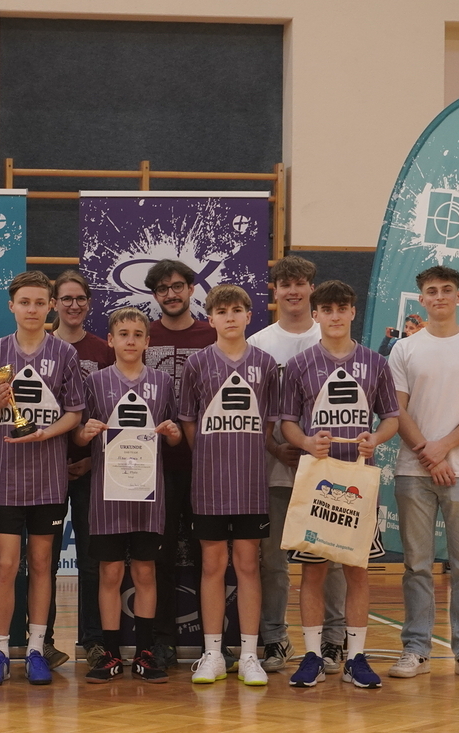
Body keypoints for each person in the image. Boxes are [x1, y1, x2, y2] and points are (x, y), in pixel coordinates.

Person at [280, 280, 399, 689]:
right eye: (326, 309)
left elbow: (392, 417)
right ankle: (313, 655)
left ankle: (356, 658)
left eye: (341, 308)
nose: (334, 316)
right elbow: (287, 422)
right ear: (315, 314)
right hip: (317, 483)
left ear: (352, 312)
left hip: (359, 484)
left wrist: (376, 438)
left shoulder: (375, 363)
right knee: (312, 574)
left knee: (357, 572)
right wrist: (305, 442)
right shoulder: (299, 364)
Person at [387, 266, 459, 682]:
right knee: (416, 565)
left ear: (458, 296)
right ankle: (416, 649)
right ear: (422, 299)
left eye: (447, 290)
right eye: (432, 291)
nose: (439, 296)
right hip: (414, 471)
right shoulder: (404, 349)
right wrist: (429, 455)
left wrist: (443, 448)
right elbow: (396, 410)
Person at [0, 270, 84, 685]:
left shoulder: (65, 354)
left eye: (40, 302)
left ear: (51, 306)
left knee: (42, 564)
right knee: (6, 565)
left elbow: (74, 413)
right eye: (25, 302)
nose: (33, 309)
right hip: (7, 480)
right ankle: (1, 651)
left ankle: (37, 649)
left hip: (49, 479)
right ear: (12, 306)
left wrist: (46, 433)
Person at [249, 256, 348, 675]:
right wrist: (276, 447)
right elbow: (254, 410)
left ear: (311, 288)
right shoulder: (258, 343)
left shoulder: (331, 334)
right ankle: (275, 637)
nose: (293, 290)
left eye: (300, 283)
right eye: (284, 284)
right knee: (273, 561)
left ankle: (334, 638)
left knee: (332, 557)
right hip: (277, 468)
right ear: (274, 291)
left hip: (328, 472)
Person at [73, 307, 181, 684]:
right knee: (110, 572)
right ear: (111, 340)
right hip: (108, 495)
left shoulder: (162, 382)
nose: (131, 340)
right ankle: (111, 654)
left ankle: (145, 652)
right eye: (124, 334)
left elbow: (175, 435)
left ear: (148, 342)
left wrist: (173, 434)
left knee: (145, 570)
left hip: (148, 495)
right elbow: (78, 435)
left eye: (137, 334)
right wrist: (84, 433)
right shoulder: (95, 382)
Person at [178, 284, 279, 686]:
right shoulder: (197, 364)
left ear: (249, 315)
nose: (230, 317)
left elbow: (268, 422)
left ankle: (250, 655)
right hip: (209, 484)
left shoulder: (266, 364)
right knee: (213, 565)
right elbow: (189, 420)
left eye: (237, 310)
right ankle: (213, 653)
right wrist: (208, 455)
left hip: (251, 483)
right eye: (222, 311)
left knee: (249, 564)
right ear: (211, 319)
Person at [141, 259, 216, 669]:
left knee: (210, 557)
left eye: (177, 286)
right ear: (155, 295)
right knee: (162, 555)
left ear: (191, 289)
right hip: (154, 467)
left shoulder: (212, 334)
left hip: (206, 465)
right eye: (162, 289)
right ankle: (163, 640)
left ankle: (214, 644)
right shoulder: (142, 334)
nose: (170, 294)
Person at [44, 270, 112, 669]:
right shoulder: (42, 348)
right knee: (45, 560)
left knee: (90, 559)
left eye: (80, 298)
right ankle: (43, 642)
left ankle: (93, 641)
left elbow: (114, 410)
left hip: (93, 468)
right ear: (54, 303)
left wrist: (93, 457)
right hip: (47, 468)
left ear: (89, 303)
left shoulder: (103, 350)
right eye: (66, 298)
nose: (73, 305)